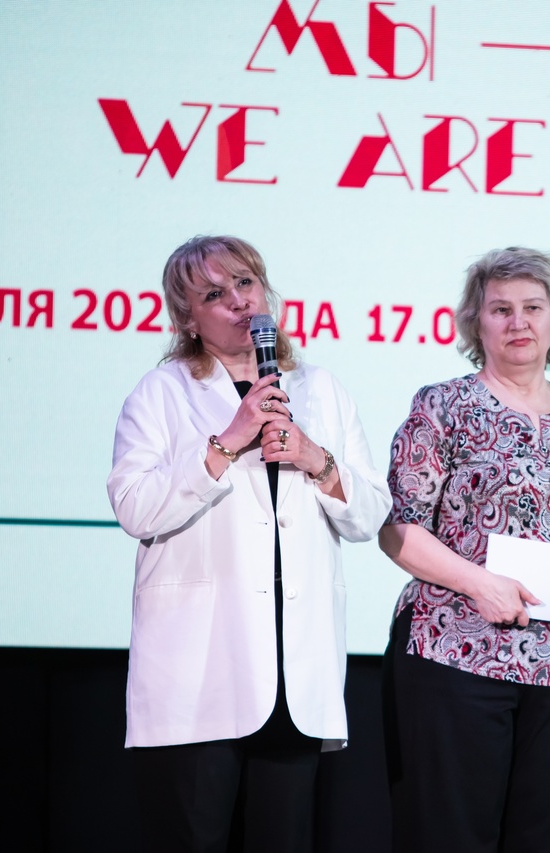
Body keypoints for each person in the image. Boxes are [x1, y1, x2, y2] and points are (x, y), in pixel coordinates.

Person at [107, 236, 391, 852]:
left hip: (295, 677)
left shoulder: (320, 389)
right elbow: (134, 507)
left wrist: (317, 459)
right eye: (215, 294)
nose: (239, 302)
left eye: (246, 284)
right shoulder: (161, 393)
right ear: (187, 319)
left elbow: (369, 516)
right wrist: (227, 442)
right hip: (198, 672)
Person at [379, 247, 550, 853]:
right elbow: (397, 529)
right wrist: (480, 584)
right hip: (454, 652)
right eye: (500, 309)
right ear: (477, 323)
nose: (518, 322)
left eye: (532, 308)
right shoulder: (442, 406)